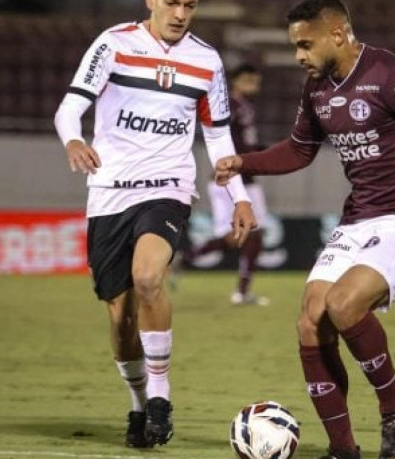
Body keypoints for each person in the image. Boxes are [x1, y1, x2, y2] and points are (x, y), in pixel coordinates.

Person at [216, 1, 395, 457]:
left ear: (337, 33)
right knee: (311, 319)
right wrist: (243, 162)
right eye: (296, 46)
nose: (298, 55)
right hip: (360, 217)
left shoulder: (389, 74)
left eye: (304, 44)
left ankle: (394, 410)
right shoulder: (316, 88)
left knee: (343, 303)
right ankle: (343, 449)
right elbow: (298, 150)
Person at [53, 0, 256, 448]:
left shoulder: (206, 60)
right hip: (109, 192)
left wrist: (238, 196)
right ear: (151, 0)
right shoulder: (113, 43)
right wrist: (73, 139)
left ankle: (161, 398)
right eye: (172, 2)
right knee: (121, 318)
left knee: (148, 279)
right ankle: (139, 403)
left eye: (190, 4)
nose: (180, 13)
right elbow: (70, 107)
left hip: (168, 187)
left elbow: (219, 135)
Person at [187, 63, 270, 306]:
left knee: (251, 235)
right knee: (241, 236)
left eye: (255, 82)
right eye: (248, 81)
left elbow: (245, 142)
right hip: (231, 178)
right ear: (235, 81)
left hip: (245, 177)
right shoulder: (230, 105)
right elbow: (219, 136)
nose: (253, 86)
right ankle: (190, 257)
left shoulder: (246, 106)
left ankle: (242, 291)